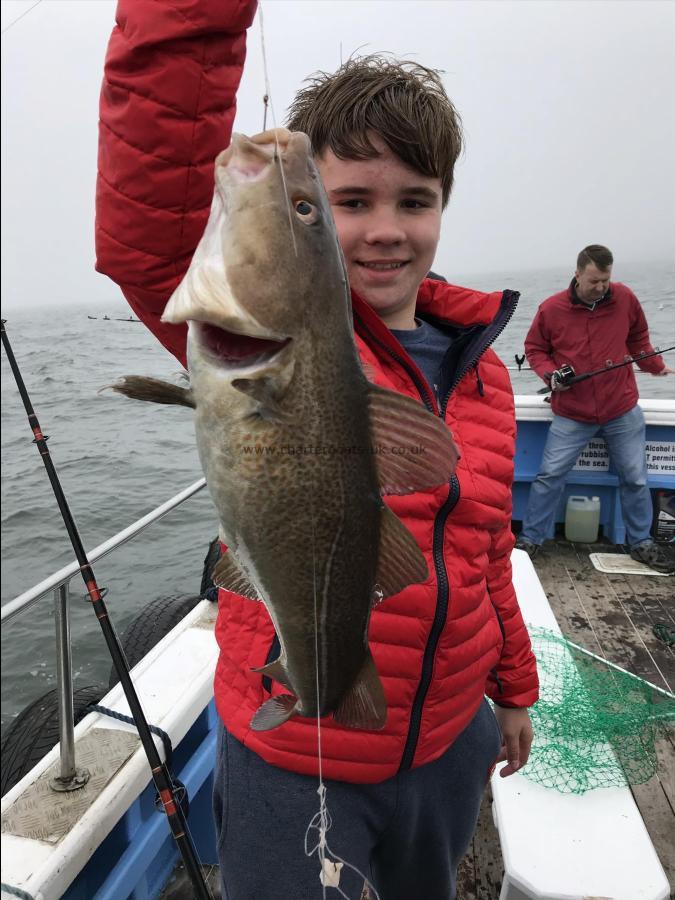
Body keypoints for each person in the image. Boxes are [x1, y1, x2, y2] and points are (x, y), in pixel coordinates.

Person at [95, 4, 538, 897]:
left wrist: (512, 689)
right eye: (339, 204)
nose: (384, 230)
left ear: (443, 207)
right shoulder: (242, 334)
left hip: (451, 737)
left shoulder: (483, 378)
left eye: (413, 201)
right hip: (295, 755)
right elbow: (152, 207)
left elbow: (489, 550)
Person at [516, 244, 674, 574]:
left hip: (621, 408)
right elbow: (534, 349)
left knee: (634, 477)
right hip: (572, 413)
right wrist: (551, 375)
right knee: (549, 477)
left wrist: (656, 365)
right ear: (577, 274)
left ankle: (640, 543)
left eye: (606, 280)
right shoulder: (551, 309)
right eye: (594, 281)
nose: (601, 287)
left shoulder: (625, 298)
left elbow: (639, 338)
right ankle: (531, 540)